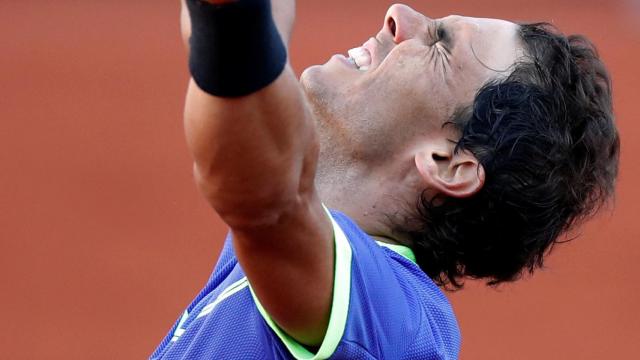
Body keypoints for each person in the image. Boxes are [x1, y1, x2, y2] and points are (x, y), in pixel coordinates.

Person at [151, 0, 620, 358]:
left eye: (439, 45)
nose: (398, 15)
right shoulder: (283, 245)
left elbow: (262, 187)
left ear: (448, 163)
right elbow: (232, 59)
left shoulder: (395, 322)